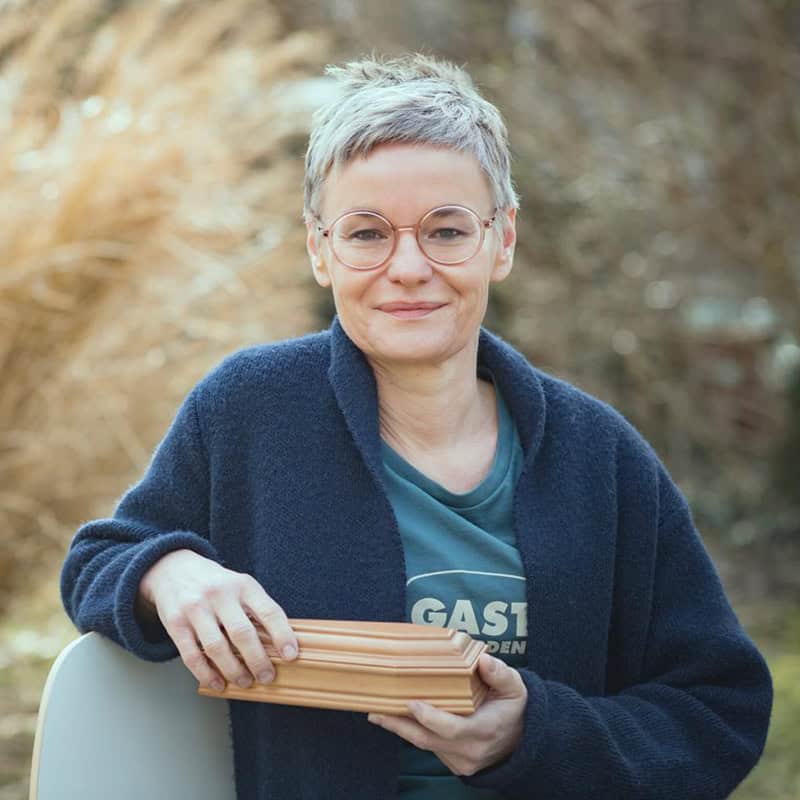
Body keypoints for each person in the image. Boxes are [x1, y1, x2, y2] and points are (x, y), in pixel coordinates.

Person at [60, 54, 772, 799]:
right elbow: (99, 561)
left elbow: (717, 708)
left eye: (446, 230)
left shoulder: (602, 458)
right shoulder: (247, 411)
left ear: (502, 241)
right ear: (318, 248)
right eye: (367, 234)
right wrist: (168, 573)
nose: (408, 267)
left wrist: (537, 734)